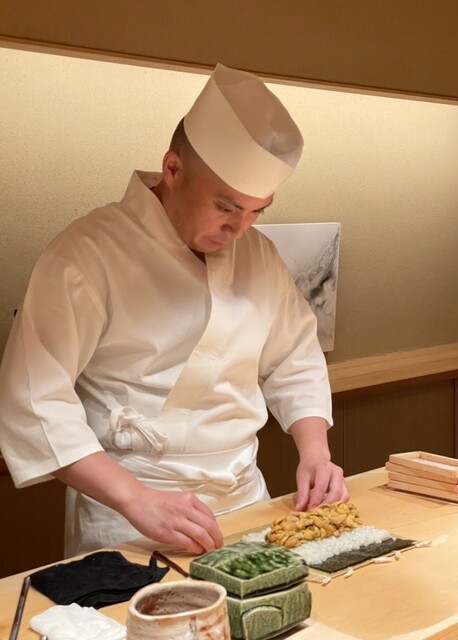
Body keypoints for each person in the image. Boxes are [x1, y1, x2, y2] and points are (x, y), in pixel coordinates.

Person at [0, 63, 348, 558]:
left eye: (256, 211)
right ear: (172, 169)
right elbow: (36, 399)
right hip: (130, 512)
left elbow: (294, 358)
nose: (239, 229)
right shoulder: (85, 255)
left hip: (244, 499)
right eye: (226, 207)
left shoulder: (258, 256)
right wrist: (136, 499)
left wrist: (315, 453)